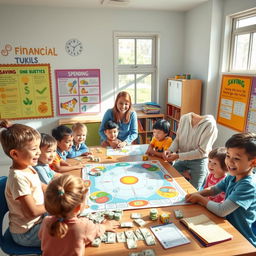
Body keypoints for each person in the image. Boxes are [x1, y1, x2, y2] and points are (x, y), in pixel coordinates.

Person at [185, 133, 256, 247]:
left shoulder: (248, 185)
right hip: (226, 227)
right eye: (228, 156)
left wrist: (200, 199)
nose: (229, 162)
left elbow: (222, 210)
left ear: (253, 162)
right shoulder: (232, 176)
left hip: (242, 239)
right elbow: (214, 189)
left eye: (236, 158)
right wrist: (196, 193)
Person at [39, 174, 119, 255]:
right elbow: (96, 231)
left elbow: (41, 237)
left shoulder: (46, 221)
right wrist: (105, 226)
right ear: (78, 208)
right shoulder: (84, 226)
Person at [0, 120, 46, 247]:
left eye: (38, 147)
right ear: (15, 154)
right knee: (69, 231)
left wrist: (55, 189)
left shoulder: (27, 166)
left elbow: (40, 185)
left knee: (71, 214)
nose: (39, 152)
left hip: (38, 221)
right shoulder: (18, 178)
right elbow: (33, 212)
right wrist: (55, 204)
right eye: (34, 149)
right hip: (27, 233)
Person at [163, 112, 218, 190]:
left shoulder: (209, 125)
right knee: (170, 180)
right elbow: (178, 139)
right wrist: (170, 150)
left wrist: (178, 156)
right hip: (182, 159)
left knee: (193, 191)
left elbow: (202, 152)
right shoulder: (184, 118)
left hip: (198, 161)